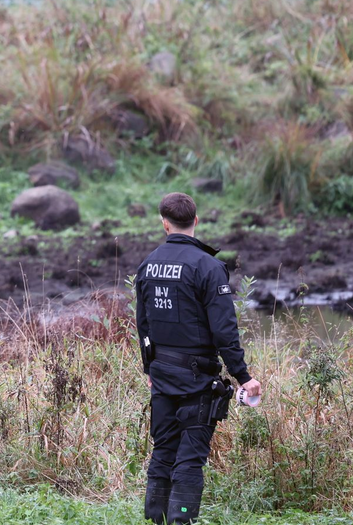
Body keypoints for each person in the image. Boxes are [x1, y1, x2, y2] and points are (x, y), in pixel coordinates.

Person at [135, 192, 263, 524]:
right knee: (190, 459)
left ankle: (155, 520)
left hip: (161, 375)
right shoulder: (208, 266)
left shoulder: (148, 264)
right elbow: (224, 330)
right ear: (197, 220)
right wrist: (244, 377)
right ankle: (181, 521)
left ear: (164, 223)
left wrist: (150, 366)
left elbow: (143, 324)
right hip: (197, 379)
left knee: (163, 452)